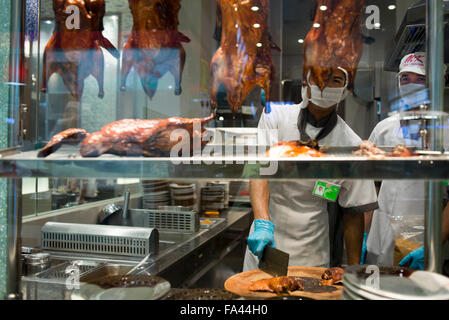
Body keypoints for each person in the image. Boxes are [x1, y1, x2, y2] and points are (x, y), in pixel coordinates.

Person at [243, 66, 378, 270]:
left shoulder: (350, 142)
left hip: (312, 251)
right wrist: (262, 223)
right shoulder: (276, 117)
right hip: (267, 240)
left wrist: (355, 270)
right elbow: (259, 170)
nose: (325, 85)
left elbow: (354, 212)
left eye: (335, 80)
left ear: (344, 90)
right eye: (319, 78)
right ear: (306, 84)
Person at [364, 52, 449, 269]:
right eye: (405, 79)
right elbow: (371, 183)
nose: (411, 86)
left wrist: (433, 244)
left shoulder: (446, 130)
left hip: (421, 235)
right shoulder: (384, 128)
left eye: (420, 79)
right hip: (379, 230)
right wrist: (366, 233)